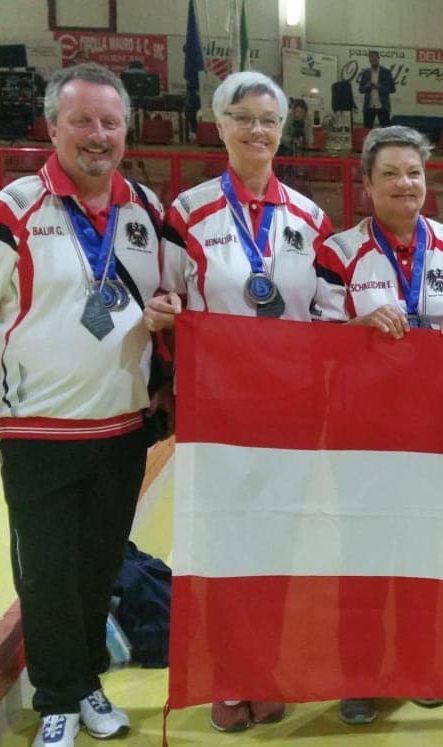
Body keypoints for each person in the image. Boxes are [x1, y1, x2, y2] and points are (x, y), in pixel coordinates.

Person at [142, 70, 338, 733]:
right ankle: (228, 674)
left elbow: (326, 315)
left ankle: (267, 667)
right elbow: (165, 300)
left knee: (278, 543)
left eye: (269, 120)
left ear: (283, 132)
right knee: (222, 543)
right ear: (219, 125)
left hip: (287, 412)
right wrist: (167, 313)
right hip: (217, 412)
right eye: (243, 117)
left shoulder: (311, 218)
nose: (257, 130)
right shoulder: (187, 212)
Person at [0, 62, 167, 747]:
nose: (96, 135)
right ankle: (58, 698)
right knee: (45, 571)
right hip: (36, 428)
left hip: (121, 428)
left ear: (125, 129)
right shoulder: (13, 207)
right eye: (82, 121)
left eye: (109, 122)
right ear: (52, 127)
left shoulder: (147, 210)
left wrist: (170, 310)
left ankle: (89, 681)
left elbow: (178, 297)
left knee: (99, 565)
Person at [321, 125, 443, 725]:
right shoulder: (337, 252)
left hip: (436, 434)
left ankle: (417, 663)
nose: (405, 183)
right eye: (390, 174)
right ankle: (359, 674)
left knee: (426, 554)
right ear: (367, 184)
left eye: (413, 172)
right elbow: (314, 342)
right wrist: (355, 329)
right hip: (360, 433)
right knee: (361, 556)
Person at [358, 50, 396, 129]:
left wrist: (379, 86)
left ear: (379, 58)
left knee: (385, 130)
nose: (373, 61)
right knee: (367, 130)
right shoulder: (365, 72)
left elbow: (392, 89)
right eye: (371, 60)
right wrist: (368, 85)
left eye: (375, 59)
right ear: (369, 60)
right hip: (369, 106)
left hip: (383, 106)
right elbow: (361, 90)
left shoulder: (386, 72)